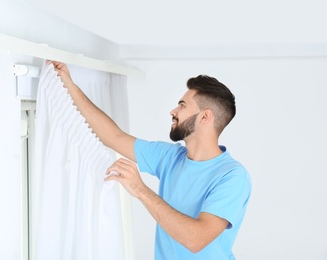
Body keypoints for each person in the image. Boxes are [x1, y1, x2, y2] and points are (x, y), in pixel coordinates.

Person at [50, 61, 251, 260]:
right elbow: (113, 137)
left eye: (182, 105)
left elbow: (195, 239)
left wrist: (140, 190)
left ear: (205, 117)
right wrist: (69, 85)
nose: (173, 111)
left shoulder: (231, 176)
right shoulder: (170, 157)